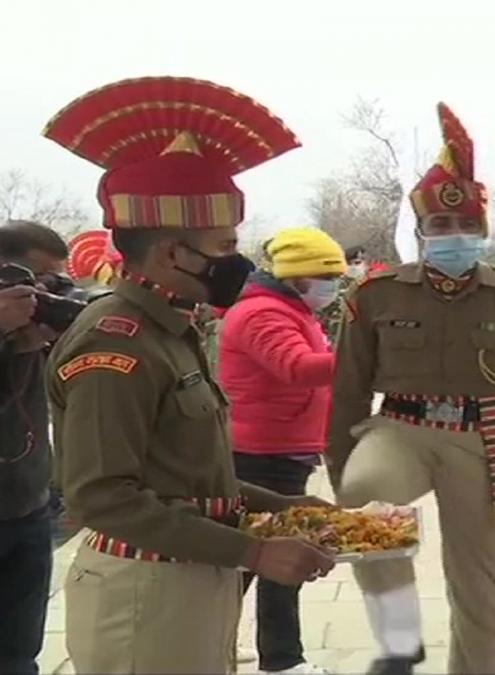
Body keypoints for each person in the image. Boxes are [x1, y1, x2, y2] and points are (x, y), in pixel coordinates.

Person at [42, 76, 335, 674]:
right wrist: (254, 551)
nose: (237, 260)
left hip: (188, 578)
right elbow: (104, 498)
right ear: (173, 252)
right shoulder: (114, 343)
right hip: (145, 592)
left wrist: (281, 505)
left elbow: (184, 475)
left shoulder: (169, 329)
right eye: (224, 244)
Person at [327, 103, 495, 675]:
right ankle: (399, 639)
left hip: (487, 438)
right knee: (363, 497)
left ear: (484, 231)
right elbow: (348, 389)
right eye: (440, 225)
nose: (454, 235)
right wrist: (338, 465)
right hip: (401, 430)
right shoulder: (377, 296)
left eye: (466, 226)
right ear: (420, 232)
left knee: (482, 587)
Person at [219, 227, 347, 674]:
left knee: (264, 559)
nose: (333, 285)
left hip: (284, 449)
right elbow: (297, 367)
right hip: (260, 454)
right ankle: (280, 660)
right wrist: (367, 357)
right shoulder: (262, 314)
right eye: (326, 275)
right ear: (297, 276)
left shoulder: (292, 309)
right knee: (265, 560)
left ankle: (224, 645)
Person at [0, 221, 68, 675]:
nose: (44, 296)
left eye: (55, 282)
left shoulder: (31, 330)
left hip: (30, 505)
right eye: (36, 282)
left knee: (20, 654)